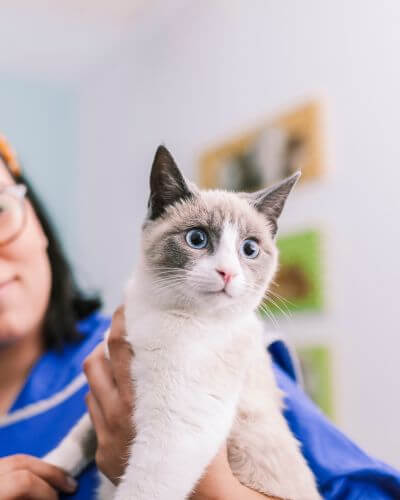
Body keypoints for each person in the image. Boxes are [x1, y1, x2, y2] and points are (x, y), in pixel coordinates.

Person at [0, 134, 399, 499]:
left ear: (35, 219)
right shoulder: (133, 330)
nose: (228, 269)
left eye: (0, 209)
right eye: (197, 239)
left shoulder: (234, 342)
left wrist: (214, 490)